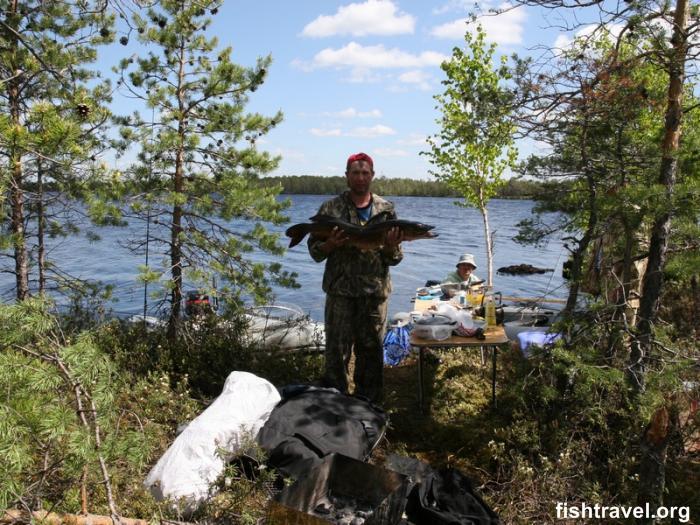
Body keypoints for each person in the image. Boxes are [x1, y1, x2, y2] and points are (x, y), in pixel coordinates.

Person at [307, 152, 403, 403]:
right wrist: (330, 245)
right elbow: (315, 252)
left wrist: (391, 246)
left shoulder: (386, 209)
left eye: (365, 173)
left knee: (371, 351)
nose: (360, 177)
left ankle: (368, 404)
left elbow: (394, 258)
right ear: (347, 176)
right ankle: (334, 401)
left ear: (372, 175)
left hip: (374, 294)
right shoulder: (331, 208)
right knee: (336, 352)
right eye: (355, 173)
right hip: (340, 293)